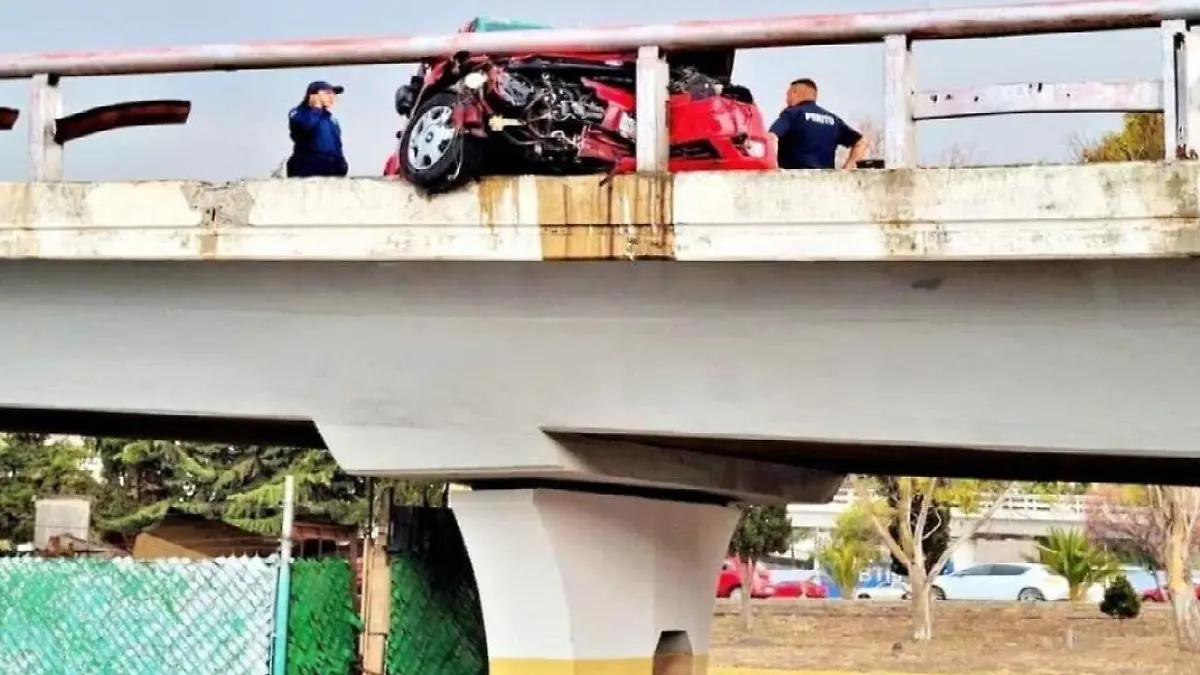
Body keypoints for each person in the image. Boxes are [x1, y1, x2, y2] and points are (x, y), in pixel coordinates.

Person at [767, 78, 868, 170]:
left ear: (795, 93)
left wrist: (773, 167)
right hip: (825, 181)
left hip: (794, 179)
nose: (786, 100)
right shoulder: (833, 119)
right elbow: (861, 142)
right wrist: (847, 169)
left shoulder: (792, 114)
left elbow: (772, 136)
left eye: (788, 95)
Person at [286, 80, 349, 178]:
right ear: (314, 94)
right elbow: (306, 126)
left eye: (334, 94)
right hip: (307, 173)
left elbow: (337, 145)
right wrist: (316, 108)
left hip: (332, 174)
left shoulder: (330, 118)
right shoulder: (299, 113)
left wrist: (342, 165)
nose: (332, 97)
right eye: (328, 93)